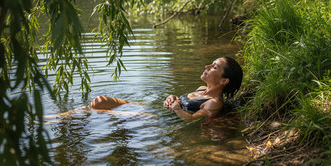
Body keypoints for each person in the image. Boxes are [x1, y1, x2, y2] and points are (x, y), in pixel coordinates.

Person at [88, 57, 243, 121]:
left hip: (154, 118)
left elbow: (190, 119)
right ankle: (66, 115)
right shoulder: (201, 88)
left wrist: (177, 109)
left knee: (97, 107)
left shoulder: (215, 103)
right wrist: (172, 97)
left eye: (214, 67)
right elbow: (181, 103)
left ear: (224, 80)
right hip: (153, 108)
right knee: (100, 101)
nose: (207, 66)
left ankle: (65, 117)